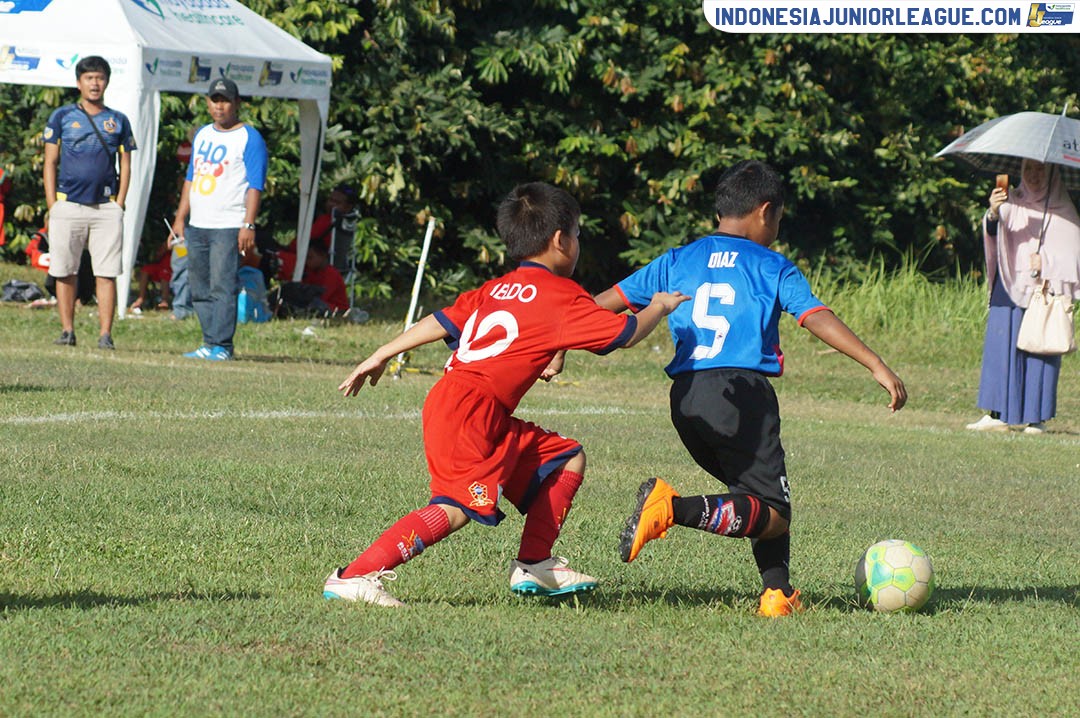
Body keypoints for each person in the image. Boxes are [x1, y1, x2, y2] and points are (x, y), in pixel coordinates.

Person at [322, 181, 689, 607]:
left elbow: (442, 320)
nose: (578, 243)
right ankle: (355, 575)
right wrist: (658, 307)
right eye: (578, 234)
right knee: (456, 507)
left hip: (464, 403)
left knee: (565, 457)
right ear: (559, 240)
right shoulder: (560, 294)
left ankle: (534, 563)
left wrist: (382, 351)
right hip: (470, 412)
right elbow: (625, 334)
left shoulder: (497, 287)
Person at [588, 160, 906, 617]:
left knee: (761, 494)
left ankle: (778, 594)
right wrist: (875, 363)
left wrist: (558, 345)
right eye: (777, 219)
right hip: (742, 395)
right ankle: (670, 509)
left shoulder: (677, 260)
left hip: (686, 398)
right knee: (772, 510)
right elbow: (814, 315)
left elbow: (605, 305)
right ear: (765, 211)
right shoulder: (772, 265)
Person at [966, 160, 1080, 434]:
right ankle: (996, 414)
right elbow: (995, 235)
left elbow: (1074, 254)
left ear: (1052, 173)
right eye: (1029, 169)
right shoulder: (1012, 201)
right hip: (1008, 282)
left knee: (1040, 350)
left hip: (1043, 290)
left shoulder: (1063, 210)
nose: (1034, 175)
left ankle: (1036, 418)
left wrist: (1047, 262)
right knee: (1000, 346)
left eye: (1041, 170)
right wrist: (993, 213)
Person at [43, 55, 136, 350]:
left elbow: (126, 161)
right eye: (89, 78)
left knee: (106, 272)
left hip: (105, 207)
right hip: (67, 204)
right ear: (78, 83)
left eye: (99, 78)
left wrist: (119, 202)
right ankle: (67, 330)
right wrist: (51, 204)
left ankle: (105, 334)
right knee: (64, 269)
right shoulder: (61, 117)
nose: (95, 83)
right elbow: (50, 162)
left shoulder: (118, 120)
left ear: (107, 81)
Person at [171, 78, 267, 361]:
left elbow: (255, 184)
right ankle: (209, 341)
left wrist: (248, 224)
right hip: (199, 223)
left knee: (222, 285)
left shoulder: (249, 137)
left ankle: (223, 345)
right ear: (207, 103)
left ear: (237, 103)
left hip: (229, 224)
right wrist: (180, 218)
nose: (219, 106)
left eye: (225, 100)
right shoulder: (202, 134)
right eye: (214, 100)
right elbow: (191, 178)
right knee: (199, 286)